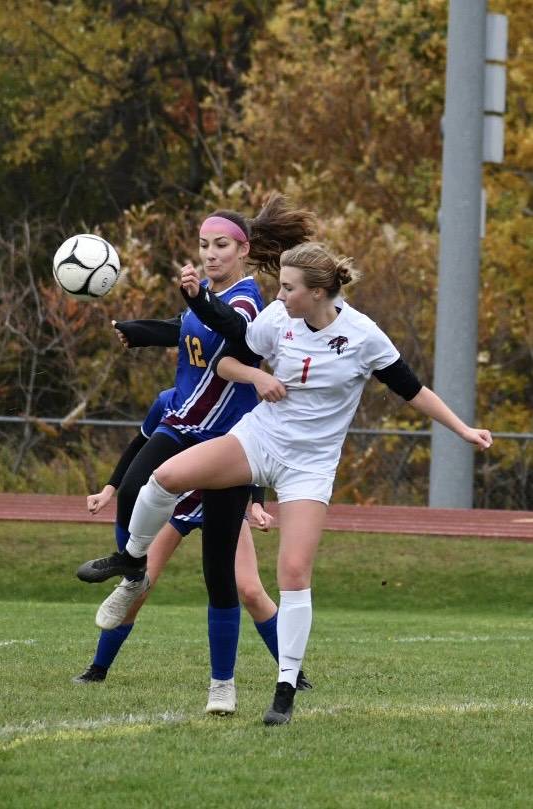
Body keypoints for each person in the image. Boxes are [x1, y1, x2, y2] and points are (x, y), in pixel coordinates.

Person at [87, 241, 493, 726]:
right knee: (166, 476)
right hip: (260, 439)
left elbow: (413, 390)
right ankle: (132, 564)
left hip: (310, 466)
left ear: (319, 292)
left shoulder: (363, 336)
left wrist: (463, 429)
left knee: (293, 574)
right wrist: (256, 379)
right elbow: (227, 363)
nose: (278, 296)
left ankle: (284, 690)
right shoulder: (276, 319)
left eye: (288, 288)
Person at [76, 194, 315, 714]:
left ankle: (231, 685)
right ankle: (125, 583)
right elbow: (191, 334)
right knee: (139, 490)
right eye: (204, 244)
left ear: (244, 249)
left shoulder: (253, 302)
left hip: (225, 449)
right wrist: (142, 331)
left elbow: (234, 337)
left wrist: (254, 493)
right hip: (185, 427)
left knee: (231, 584)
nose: (210, 253)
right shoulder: (205, 296)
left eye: (221, 245)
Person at [74, 387, 312, 709]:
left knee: (251, 591)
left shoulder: (240, 404)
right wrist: (109, 490)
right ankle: (97, 669)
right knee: (136, 588)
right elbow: (140, 447)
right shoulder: (171, 400)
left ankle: (292, 674)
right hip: (177, 506)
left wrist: (256, 505)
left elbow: (255, 456)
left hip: (225, 505)